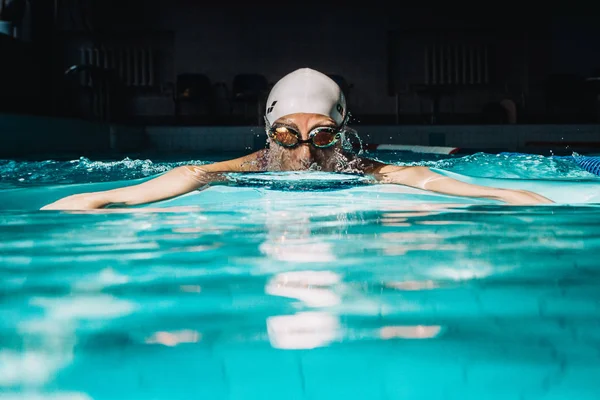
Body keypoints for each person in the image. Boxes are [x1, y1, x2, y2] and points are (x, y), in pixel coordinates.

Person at [41, 68, 553, 210]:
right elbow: (192, 174)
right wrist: (105, 196)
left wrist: (501, 192)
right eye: (288, 135)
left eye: (324, 135)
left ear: (344, 132)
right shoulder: (249, 165)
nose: (306, 153)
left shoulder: (363, 169)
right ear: (268, 133)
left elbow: (420, 178)